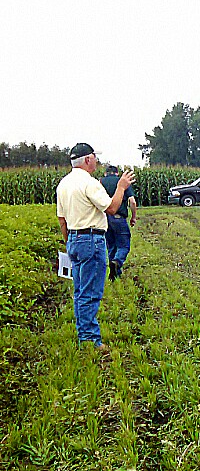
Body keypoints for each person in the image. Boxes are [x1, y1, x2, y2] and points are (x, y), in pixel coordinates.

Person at [54, 143, 134, 347]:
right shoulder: (89, 183)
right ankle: (90, 340)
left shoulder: (63, 184)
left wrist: (70, 242)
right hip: (91, 240)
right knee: (90, 293)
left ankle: (84, 335)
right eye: (94, 157)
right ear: (87, 159)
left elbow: (62, 220)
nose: (96, 161)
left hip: (74, 239)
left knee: (80, 292)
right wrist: (121, 187)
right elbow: (112, 207)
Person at [102, 165, 137, 280]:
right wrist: (133, 217)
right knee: (123, 246)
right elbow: (132, 201)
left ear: (106, 173)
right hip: (118, 217)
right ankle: (117, 262)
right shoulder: (122, 182)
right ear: (117, 173)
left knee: (111, 245)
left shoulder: (100, 182)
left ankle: (115, 274)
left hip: (105, 218)